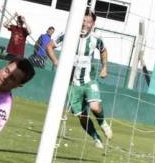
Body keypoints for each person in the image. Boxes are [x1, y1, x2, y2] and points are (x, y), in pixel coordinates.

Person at [47, 11, 113, 150]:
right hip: (72, 84)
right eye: (83, 21)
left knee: (95, 106)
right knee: (82, 116)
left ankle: (102, 123)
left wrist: (105, 67)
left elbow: (103, 50)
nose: (85, 24)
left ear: (93, 24)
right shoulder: (68, 34)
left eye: (88, 22)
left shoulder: (95, 38)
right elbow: (49, 46)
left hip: (89, 80)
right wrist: (55, 61)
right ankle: (95, 137)